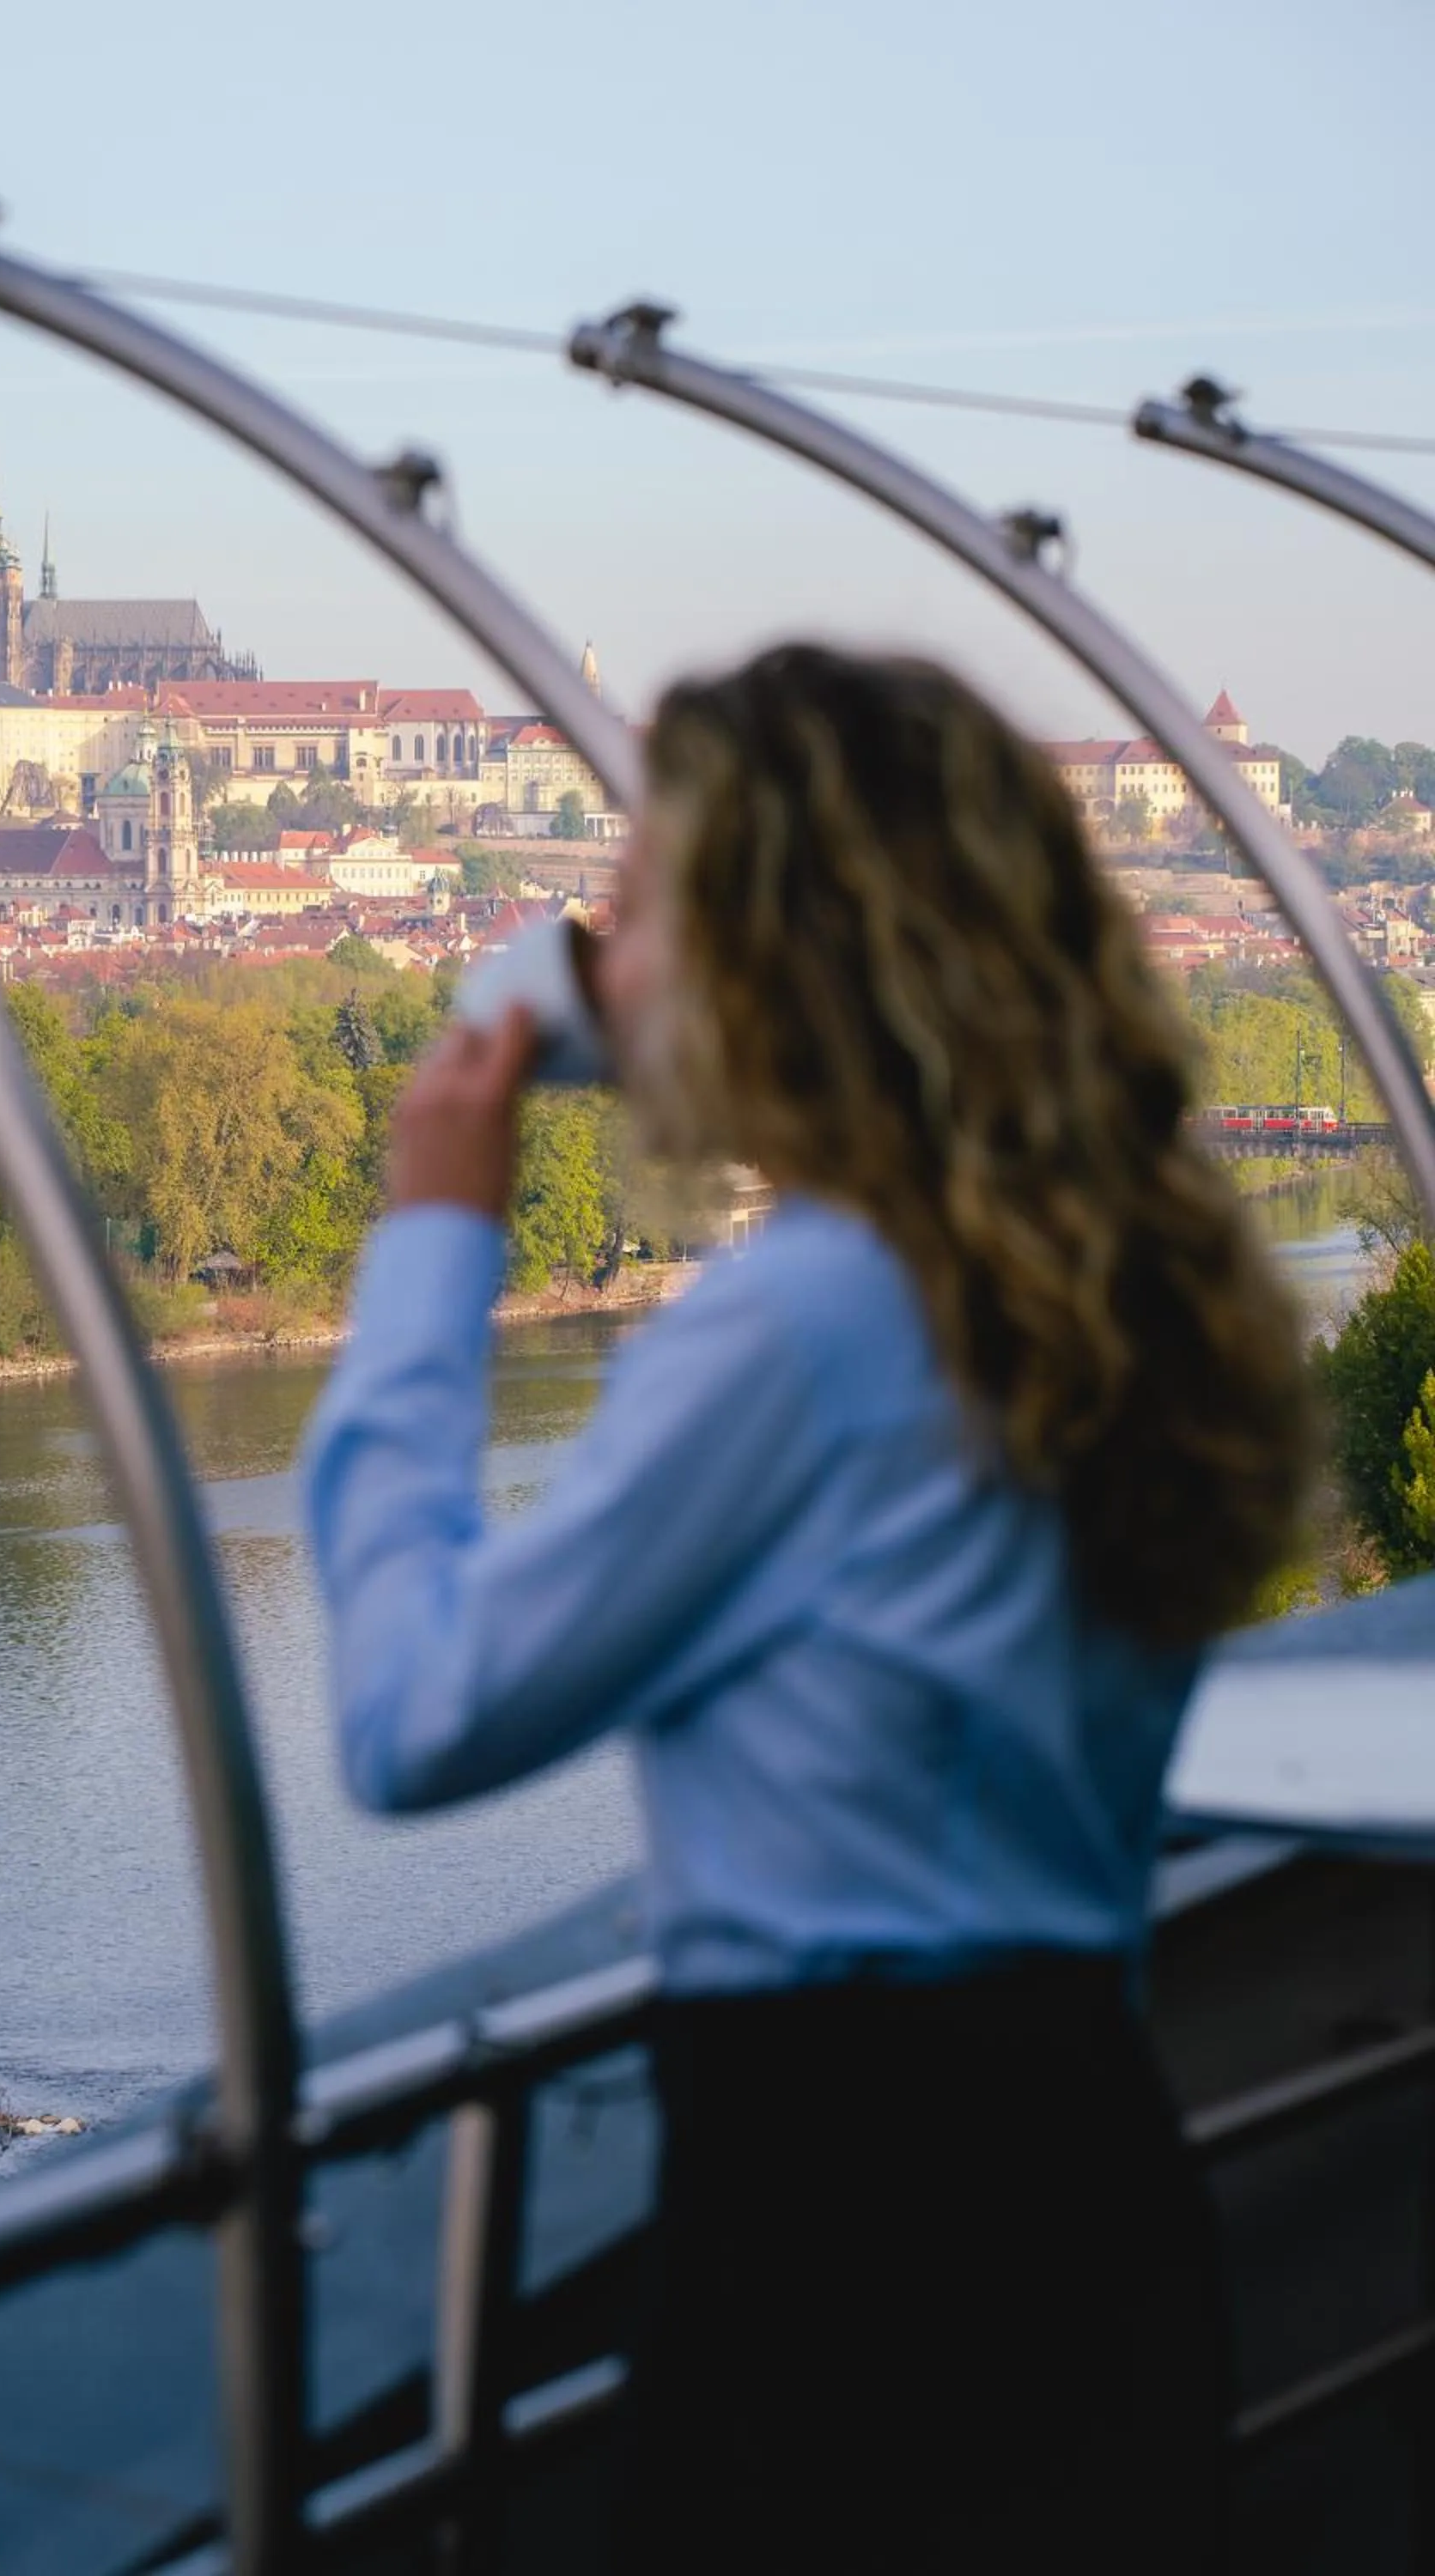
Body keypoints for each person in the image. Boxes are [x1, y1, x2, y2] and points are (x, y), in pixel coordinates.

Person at [301, 644, 1315, 2573]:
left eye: (637, 905)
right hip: (1094, 2185)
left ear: (773, 950)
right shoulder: (1101, 1282)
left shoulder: (812, 1324)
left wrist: (434, 1242)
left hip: (849, 2251)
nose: (600, 954)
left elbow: (412, 1714)